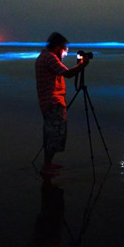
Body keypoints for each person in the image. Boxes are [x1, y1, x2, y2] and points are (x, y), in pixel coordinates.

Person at [35, 32, 89, 175]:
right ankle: (46, 168)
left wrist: (79, 66)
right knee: (55, 134)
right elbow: (68, 74)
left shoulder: (44, 57)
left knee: (50, 133)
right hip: (53, 102)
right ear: (58, 47)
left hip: (47, 101)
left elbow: (64, 72)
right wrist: (82, 65)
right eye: (64, 48)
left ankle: (48, 163)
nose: (65, 52)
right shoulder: (50, 59)